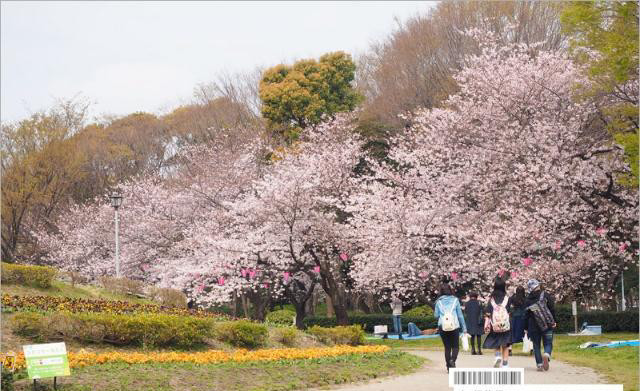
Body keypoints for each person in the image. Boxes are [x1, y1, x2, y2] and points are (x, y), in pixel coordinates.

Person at [523, 279, 556, 371]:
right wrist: (554, 321)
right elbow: (552, 309)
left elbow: (526, 316)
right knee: (548, 343)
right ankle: (546, 354)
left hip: (533, 326)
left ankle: (540, 364)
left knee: (536, 345)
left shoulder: (528, 300)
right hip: (548, 324)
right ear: (538, 286)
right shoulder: (545, 295)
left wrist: (525, 327)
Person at [434, 283, 467, 372]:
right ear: (450, 290)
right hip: (454, 326)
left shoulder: (438, 302)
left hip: (443, 326)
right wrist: (464, 328)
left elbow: (436, 315)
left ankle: (449, 367)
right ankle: (453, 360)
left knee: (447, 347)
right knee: (455, 346)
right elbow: (460, 316)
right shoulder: (455, 300)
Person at [483, 278, 512, 368]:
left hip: (494, 325)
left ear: (495, 286)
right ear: (504, 286)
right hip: (505, 326)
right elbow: (510, 311)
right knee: (505, 345)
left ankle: (498, 357)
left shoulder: (492, 299)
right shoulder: (507, 298)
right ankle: (505, 364)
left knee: (496, 343)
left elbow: (487, 312)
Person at [508, 286, 527, 356]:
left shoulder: (512, 298)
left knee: (512, 333)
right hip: (523, 318)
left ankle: (510, 349)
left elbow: (508, 306)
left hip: (514, 318)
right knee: (526, 333)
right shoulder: (525, 299)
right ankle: (531, 348)